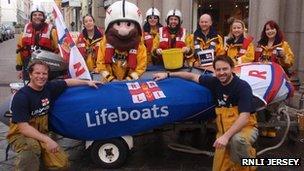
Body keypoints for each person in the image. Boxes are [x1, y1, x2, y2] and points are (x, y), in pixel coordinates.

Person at [154, 55, 258, 171]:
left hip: (245, 129)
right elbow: (192, 76)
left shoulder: (242, 87)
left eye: (225, 69)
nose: (221, 73)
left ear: (232, 69)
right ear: (214, 71)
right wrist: (167, 74)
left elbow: (244, 117)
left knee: (238, 140)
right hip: (223, 133)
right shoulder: (214, 82)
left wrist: (225, 137)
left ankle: (249, 163)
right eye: (218, 70)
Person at [6, 60, 101, 170]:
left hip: (41, 132)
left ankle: (40, 161)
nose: (41, 77)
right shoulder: (21, 97)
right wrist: (47, 140)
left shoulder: (49, 87)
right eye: (37, 73)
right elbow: (24, 128)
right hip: (21, 134)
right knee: (31, 149)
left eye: (44, 74)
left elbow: (68, 82)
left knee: (61, 164)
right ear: (30, 74)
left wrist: (87, 82)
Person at [254, 20, 295, 137]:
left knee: (274, 102)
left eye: (272, 28)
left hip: (277, 79)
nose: (269, 31)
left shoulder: (284, 45)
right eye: (267, 29)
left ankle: (272, 127)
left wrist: (283, 57)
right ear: (264, 31)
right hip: (261, 78)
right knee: (261, 102)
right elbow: (253, 60)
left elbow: (290, 62)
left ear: (276, 30)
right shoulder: (259, 45)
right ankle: (262, 126)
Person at [96, 0, 147, 82]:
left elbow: (141, 66)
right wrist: (110, 79)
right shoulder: (105, 42)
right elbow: (100, 63)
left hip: (130, 83)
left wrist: (128, 79)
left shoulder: (139, 45)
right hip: (109, 83)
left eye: (128, 24)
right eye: (118, 24)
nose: (123, 30)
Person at [16, 4, 59, 81]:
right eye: (34, 15)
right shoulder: (25, 31)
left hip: (46, 65)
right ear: (31, 17)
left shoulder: (52, 31)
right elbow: (20, 49)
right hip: (28, 65)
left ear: (44, 17)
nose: (37, 17)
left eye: (40, 15)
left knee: (46, 90)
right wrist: (19, 68)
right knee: (29, 90)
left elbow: (58, 50)